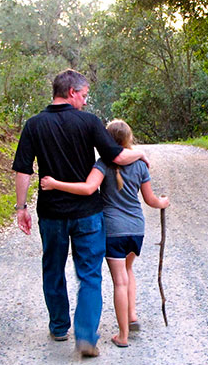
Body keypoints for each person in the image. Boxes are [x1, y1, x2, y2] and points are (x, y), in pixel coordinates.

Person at [12, 69, 148, 358]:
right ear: (72, 92)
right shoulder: (89, 122)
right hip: (88, 214)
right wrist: (141, 154)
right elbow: (118, 156)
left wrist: (21, 207)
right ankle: (86, 335)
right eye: (84, 95)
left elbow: (23, 169)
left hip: (51, 214)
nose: (85, 102)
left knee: (53, 268)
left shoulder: (34, 124)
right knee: (90, 275)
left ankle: (60, 326)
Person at [40, 119, 169, 348]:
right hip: (136, 229)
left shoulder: (102, 165)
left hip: (113, 231)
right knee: (129, 271)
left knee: (119, 281)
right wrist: (163, 202)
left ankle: (123, 335)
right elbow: (151, 200)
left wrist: (55, 184)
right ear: (129, 138)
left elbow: (88, 188)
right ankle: (132, 315)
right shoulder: (140, 165)